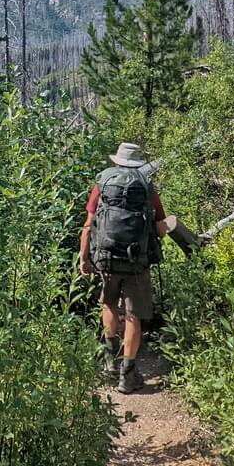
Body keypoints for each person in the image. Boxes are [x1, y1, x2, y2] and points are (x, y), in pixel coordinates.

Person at [79, 142, 167, 393]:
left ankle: (109, 361)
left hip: (105, 257)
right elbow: (160, 228)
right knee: (132, 315)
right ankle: (127, 375)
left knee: (108, 304)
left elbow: (88, 225)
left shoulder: (103, 183)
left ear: (117, 161)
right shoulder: (146, 186)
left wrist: (84, 258)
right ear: (137, 163)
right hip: (136, 261)